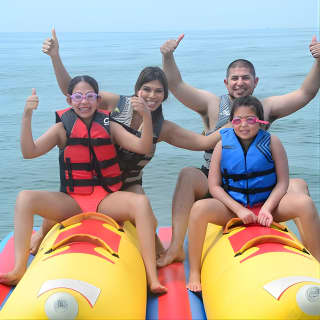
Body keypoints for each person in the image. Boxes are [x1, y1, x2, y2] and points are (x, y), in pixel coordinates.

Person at [30, 29, 227, 255]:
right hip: (94, 181)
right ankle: (43, 232)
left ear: (164, 96)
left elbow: (202, 143)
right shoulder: (116, 104)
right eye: (146, 89)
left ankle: (163, 254)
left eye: (158, 91)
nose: (151, 95)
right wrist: (55, 57)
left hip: (129, 184)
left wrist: (233, 125)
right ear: (137, 90)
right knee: (53, 218)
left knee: (148, 220)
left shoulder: (163, 128)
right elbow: (75, 91)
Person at [157, 33, 320, 267]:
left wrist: (318, 61)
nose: (240, 82)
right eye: (234, 78)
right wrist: (168, 56)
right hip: (217, 184)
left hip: (257, 188)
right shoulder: (212, 104)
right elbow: (176, 85)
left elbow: (306, 93)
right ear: (226, 82)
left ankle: (310, 255)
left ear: (255, 82)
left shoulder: (265, 108)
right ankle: (175, 248)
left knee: (300, 186)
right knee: (186, 174)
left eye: (246, 78)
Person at [0, 75, 168, 294]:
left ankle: (151, 277)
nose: (84, 101)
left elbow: (143, 146)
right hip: (72, 201)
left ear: (98, 100)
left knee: (141, 203)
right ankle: (19, 269)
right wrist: (27, 115)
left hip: (105, 200)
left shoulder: (111, 127)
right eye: (78, 96)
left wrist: (146, 115)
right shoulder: (61, 129)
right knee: (25, 198)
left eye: (90, 96)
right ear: (70, 101)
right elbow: (29, 152)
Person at [186, 96, 320, 292]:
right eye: (238, 120)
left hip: (268, 206)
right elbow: (214, 186)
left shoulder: (272, 142)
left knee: (305, 204)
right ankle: (195, 272)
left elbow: (283, 182)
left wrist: (267, 208)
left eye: (250, 119)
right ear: (232, 122)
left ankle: (316, 261)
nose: (244, 125)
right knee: (198, 209)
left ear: (260, 121)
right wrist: (239, 210)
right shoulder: (222, 145)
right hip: (233, 209)